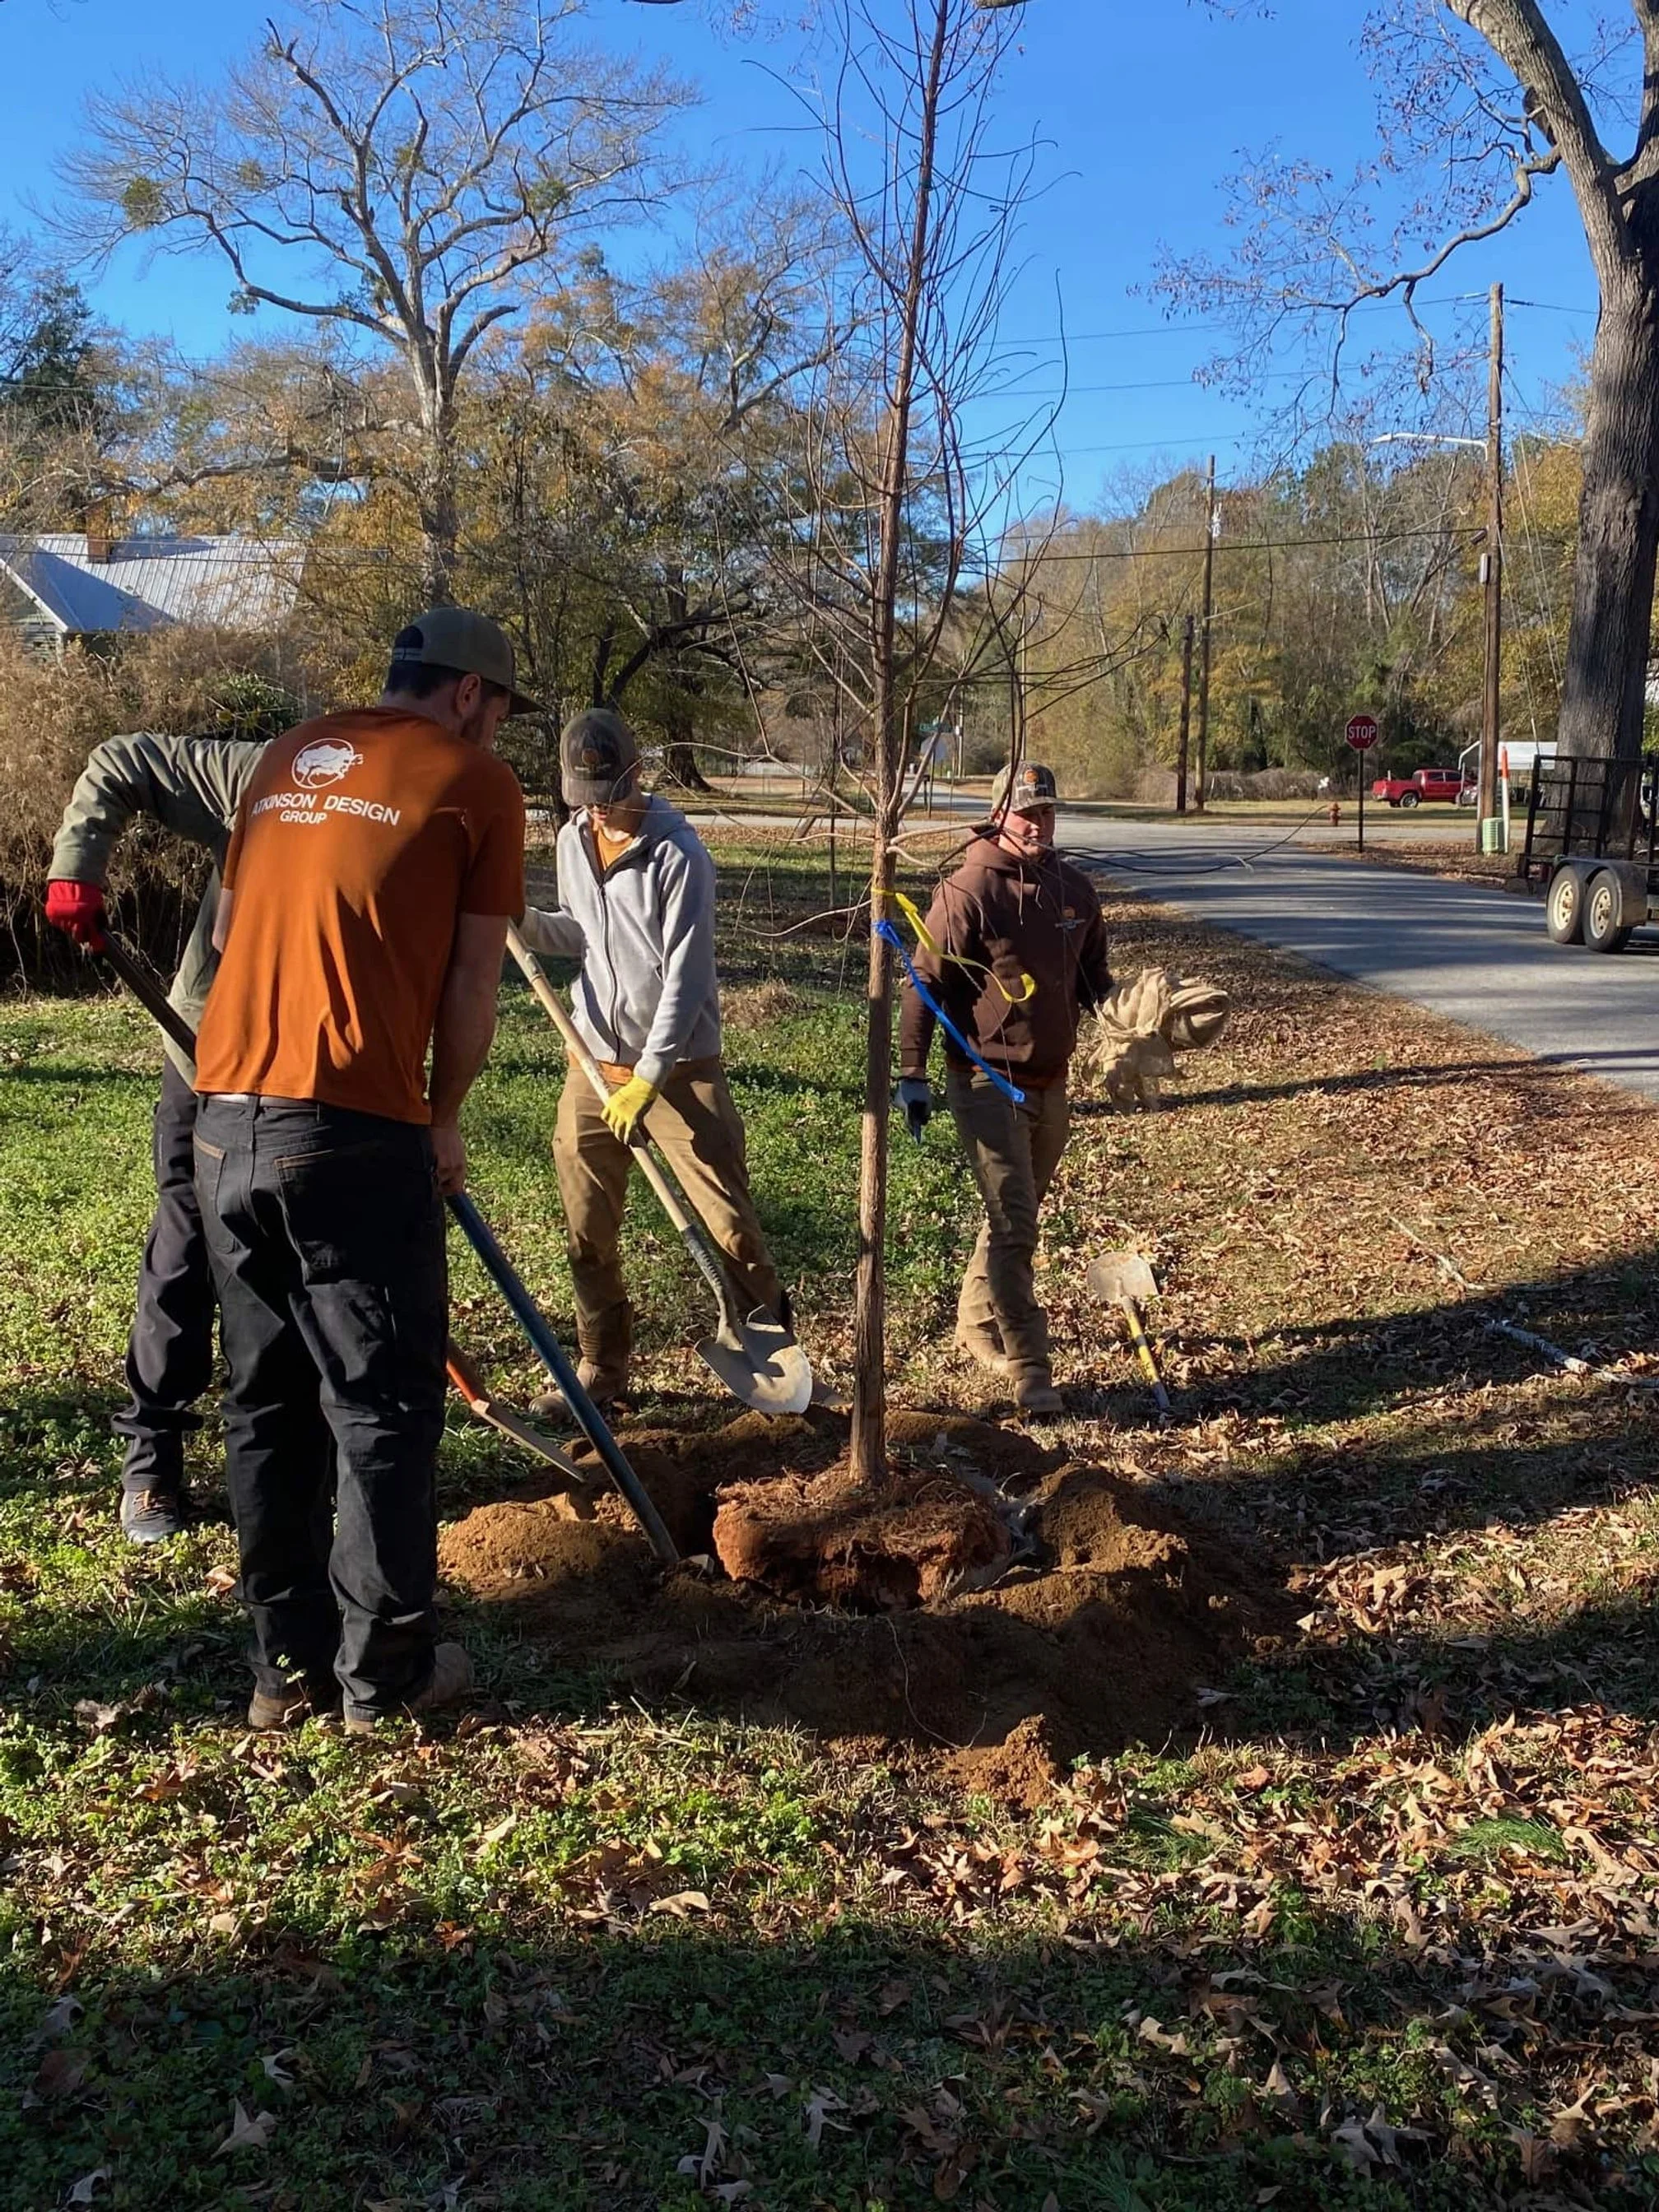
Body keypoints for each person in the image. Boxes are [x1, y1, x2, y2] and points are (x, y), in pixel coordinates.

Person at [191, 608, 527, 1734]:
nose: (495, 728)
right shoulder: (476, 784)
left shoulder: (286, 757)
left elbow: (229, 934)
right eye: (498, 708)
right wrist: (443, 1115)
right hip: (350, 1125)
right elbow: (473, 983)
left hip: (223, 1121)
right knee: (382, 1404)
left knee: (267, 1399)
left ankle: (281, 1672)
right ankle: (385, 1678)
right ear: (470, 694)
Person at [518, 706, 789, 1412]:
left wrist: (649, 1074)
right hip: (592, 1061)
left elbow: (686, 978)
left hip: (680, 1071)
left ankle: (773, 1361)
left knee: (730, 1227)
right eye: (585, 799)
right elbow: (578, 934)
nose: (598, 812)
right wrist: (521, 920)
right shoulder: (573, 839)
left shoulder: (680, 856)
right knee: (587, 1228)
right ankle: (602, 1367)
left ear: (637, 774)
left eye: (608, 796)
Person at [46, 730, 271, 1542]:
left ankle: (280, 1470)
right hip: (205, 1051)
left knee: (293, 1268)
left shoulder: (436, 800)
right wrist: (78, 864)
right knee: (185, 1248)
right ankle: (151, 1464)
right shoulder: (265, 773)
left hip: (316, 1073)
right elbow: (125, 760)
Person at [897, 761, 1112, 1419]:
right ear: (997, 817)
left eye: (1047, 812)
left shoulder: (1074, 890)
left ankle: (973, 1320)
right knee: (1016, 1223)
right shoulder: (967, 891)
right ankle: (1030, 1367)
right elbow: (924, 984)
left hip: (1052, 1081)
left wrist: (1138, 1017)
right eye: (1027, 814)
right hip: (986, 1081)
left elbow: (1095, 979)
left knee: (1014, 1217)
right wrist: (912, 1074)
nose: (1039, 825)